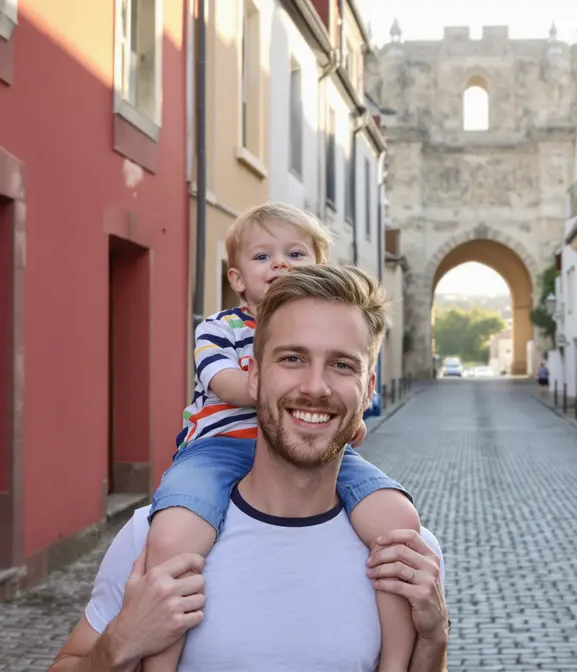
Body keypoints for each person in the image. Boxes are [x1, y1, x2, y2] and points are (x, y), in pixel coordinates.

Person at [49, 265, 450, 671]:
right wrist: (119, 643)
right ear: (254, 377)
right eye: (292, 358)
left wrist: (435, 641)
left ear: (368, 391)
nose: (315, 387)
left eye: (342, 365)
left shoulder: (405, 553)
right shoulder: (154, 538)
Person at [143, 204, 421, 672]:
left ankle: (395, 663)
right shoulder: (220, 328)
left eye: (295, 253)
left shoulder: (330, 328)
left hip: (302, 445)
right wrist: (300, 400)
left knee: (397, 520)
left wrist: (328, 410)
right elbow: (227, 383)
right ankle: (159, 662)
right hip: (215, 451)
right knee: (173, 535)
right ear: (236, 278)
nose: (279, 264)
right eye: (263, 256)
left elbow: (348, 420)